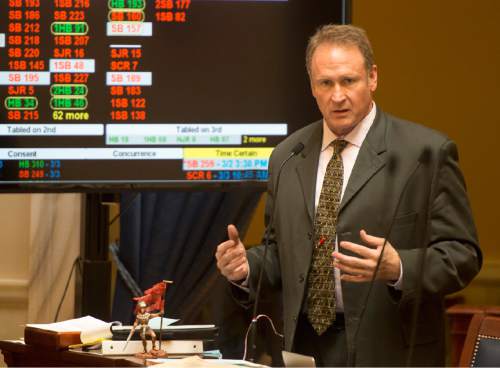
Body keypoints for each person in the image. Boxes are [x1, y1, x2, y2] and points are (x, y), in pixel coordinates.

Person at [215, 24, 481, 366]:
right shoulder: (288, 156)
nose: (337, 95)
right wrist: (245, 267)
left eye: (348, 81)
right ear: (312, 86)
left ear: (372, 78)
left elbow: (463, 255)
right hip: (305, 349)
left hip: (390, 351)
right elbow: (281, 253)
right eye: (325, 83)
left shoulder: (425, 153)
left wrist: (400, 266)